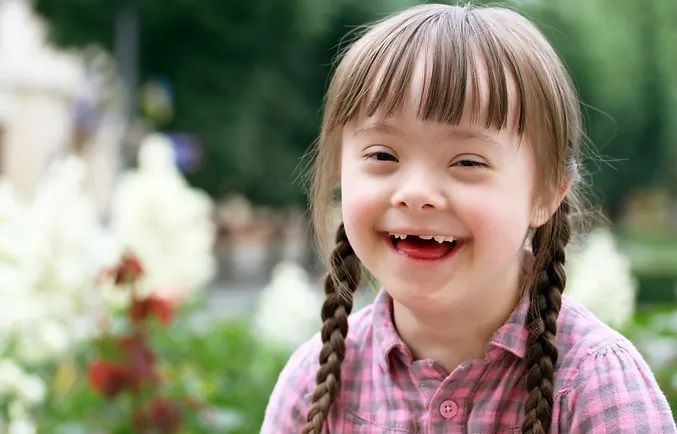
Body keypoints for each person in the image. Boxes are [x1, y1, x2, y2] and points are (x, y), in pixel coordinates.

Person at [262, 4, 676, 433]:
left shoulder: (597, 385)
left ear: (548, 192)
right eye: (383, 155)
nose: (416, 193)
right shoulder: (314, 384)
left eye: (467, 161)